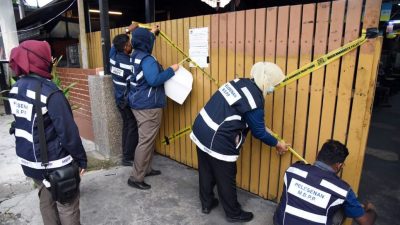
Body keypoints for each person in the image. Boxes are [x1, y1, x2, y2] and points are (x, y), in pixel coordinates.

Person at [190, 62, 290, 222]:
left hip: (201, 128)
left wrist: (272, 136)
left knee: (206, 169)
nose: (273, 89)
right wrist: (278, 143)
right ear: (267, 83)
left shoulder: (239, 82)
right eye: (274, 85)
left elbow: (256, 124)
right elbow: (259, 132)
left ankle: (207, 203)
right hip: (219, 139)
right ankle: (233, 213)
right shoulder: (254, 101)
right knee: (226, 177)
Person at [8, 40, 87, 225]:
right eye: (48, 56)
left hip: (30, 162)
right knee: (67, 204)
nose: (51, 60)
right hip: (56, 163)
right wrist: (81, 159)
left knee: (46, 199)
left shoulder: (16, 88)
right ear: (40, 59)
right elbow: (68, 133)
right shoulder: (50, 93)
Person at [273, 140, 377, 225]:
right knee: (342, 207)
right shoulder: (343, 190)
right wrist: (371, 209)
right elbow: (366, 222)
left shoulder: (293, 169)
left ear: (318, 154)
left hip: (279, 222)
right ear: (339, 165)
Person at [127, 25, 179, 190]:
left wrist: (152, 33)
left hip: (138, 102)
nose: (152, 42)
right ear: (146, 43)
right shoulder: (148, 59)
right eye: (150, 40)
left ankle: (145, 169)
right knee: (145, 141)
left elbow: (144, 38)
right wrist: (172, 70)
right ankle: (136, 178)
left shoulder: (135, 54)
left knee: (147, 140)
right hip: (148, 106)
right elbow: (154, 80)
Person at [109, 33, 139, 166]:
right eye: (129, 43)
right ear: (125, 46)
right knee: (132, 126)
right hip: (126, 100)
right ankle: (128, 157)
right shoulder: (129, 64)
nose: (131, 45)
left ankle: (125, 155)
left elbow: (113, 45)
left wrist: (127, 30)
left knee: (127, 125)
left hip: (119, 98)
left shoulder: (112, 57)